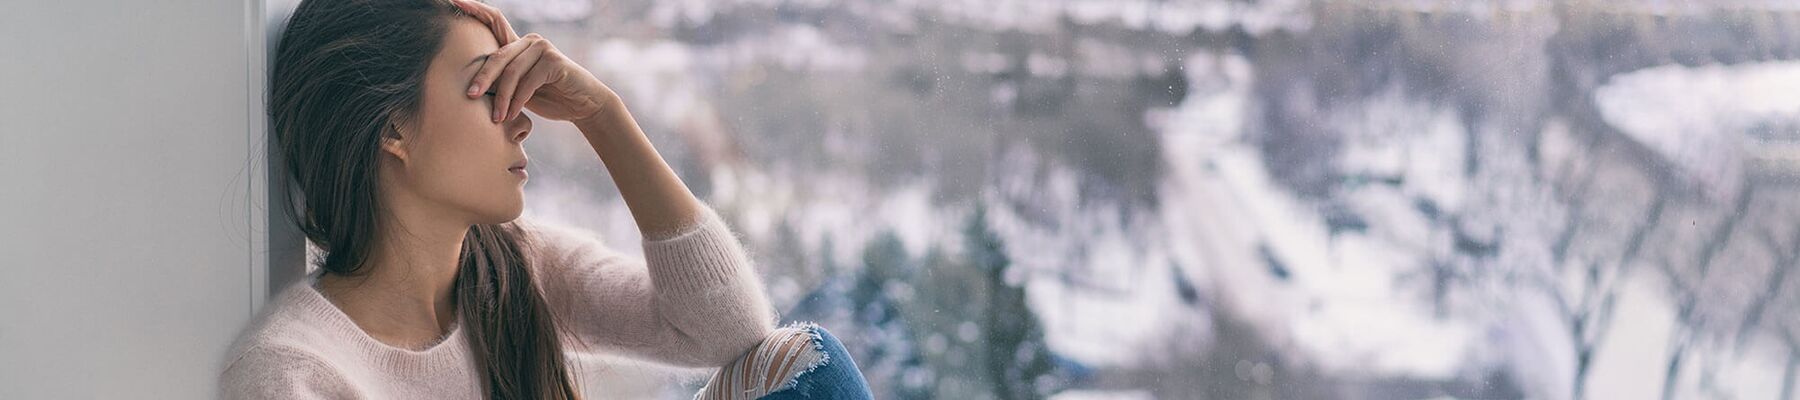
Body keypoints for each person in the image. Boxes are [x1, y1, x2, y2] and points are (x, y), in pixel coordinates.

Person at [218, 0, 872, 398]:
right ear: (393, 129)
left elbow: (732, 334)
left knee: (806, 367)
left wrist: (603, 114)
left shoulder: (513, 269)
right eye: (488, 88)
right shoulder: (291, 371)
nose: (523, 116)